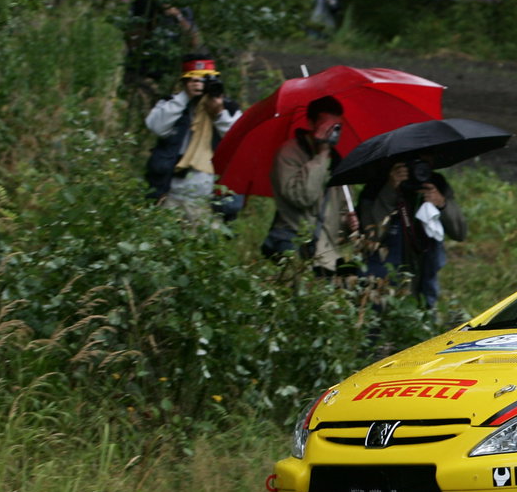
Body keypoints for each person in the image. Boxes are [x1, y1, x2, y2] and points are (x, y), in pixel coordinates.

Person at [263, 95, 359, 275]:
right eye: (326, 126)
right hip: (295, 252)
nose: (331, 132)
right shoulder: (289, 154)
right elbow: (302, 197)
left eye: (336, 127)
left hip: (326, 258)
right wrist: (321, 156)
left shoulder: (338, 164)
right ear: (311, 122)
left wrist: (348, 224)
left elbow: (341, 220)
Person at [143, 55, 244, 224]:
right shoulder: (171, 103)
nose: (198, 84)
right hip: (170, 191)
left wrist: (218, 113)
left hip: (208, 196)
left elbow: (236, 138)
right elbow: (156, 127)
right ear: (184, 82)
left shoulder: (229, 108)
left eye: (203, 80)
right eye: (192, 80)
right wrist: (184, 97)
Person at [360, 154, 467, 309]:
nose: (421, 164)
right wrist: (390, 190)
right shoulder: (376, 186)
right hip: (383, 285)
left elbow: (460, 232)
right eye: (415, 159)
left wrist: (442, 204)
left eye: (426, 158)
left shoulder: (435, 182)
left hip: (422, 280)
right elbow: (372, 237)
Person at [126, 0, 203, 88]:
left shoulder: (182, 9)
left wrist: (177, 16)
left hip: (170, 69)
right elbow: (132, 41)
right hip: (142, 68)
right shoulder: (144, 8)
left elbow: (195, 41)